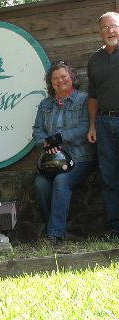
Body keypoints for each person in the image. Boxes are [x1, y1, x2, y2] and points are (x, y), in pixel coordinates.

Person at [33, 60, 96, 245]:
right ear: (51, 83)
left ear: (71, 77)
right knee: (40, 184)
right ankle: (52, 230)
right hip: (53, 161)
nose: (60, 81)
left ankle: (55, 235)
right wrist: (46, 143)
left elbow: (85, 128)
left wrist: (59, 138)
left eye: (63, 76)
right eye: (55, 79)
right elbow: (37, 130)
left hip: (80, 158)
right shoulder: (45, 104)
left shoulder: (83, 99)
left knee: (62, 180)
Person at [87, 12, 119, 239]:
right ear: (100, 32)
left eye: (114, 26)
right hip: (104, 123)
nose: (110, 31)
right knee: (109, 178)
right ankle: (115, 228)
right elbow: (93, 97)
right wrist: (92, 126)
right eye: (105, 27)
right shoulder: (94, 60)